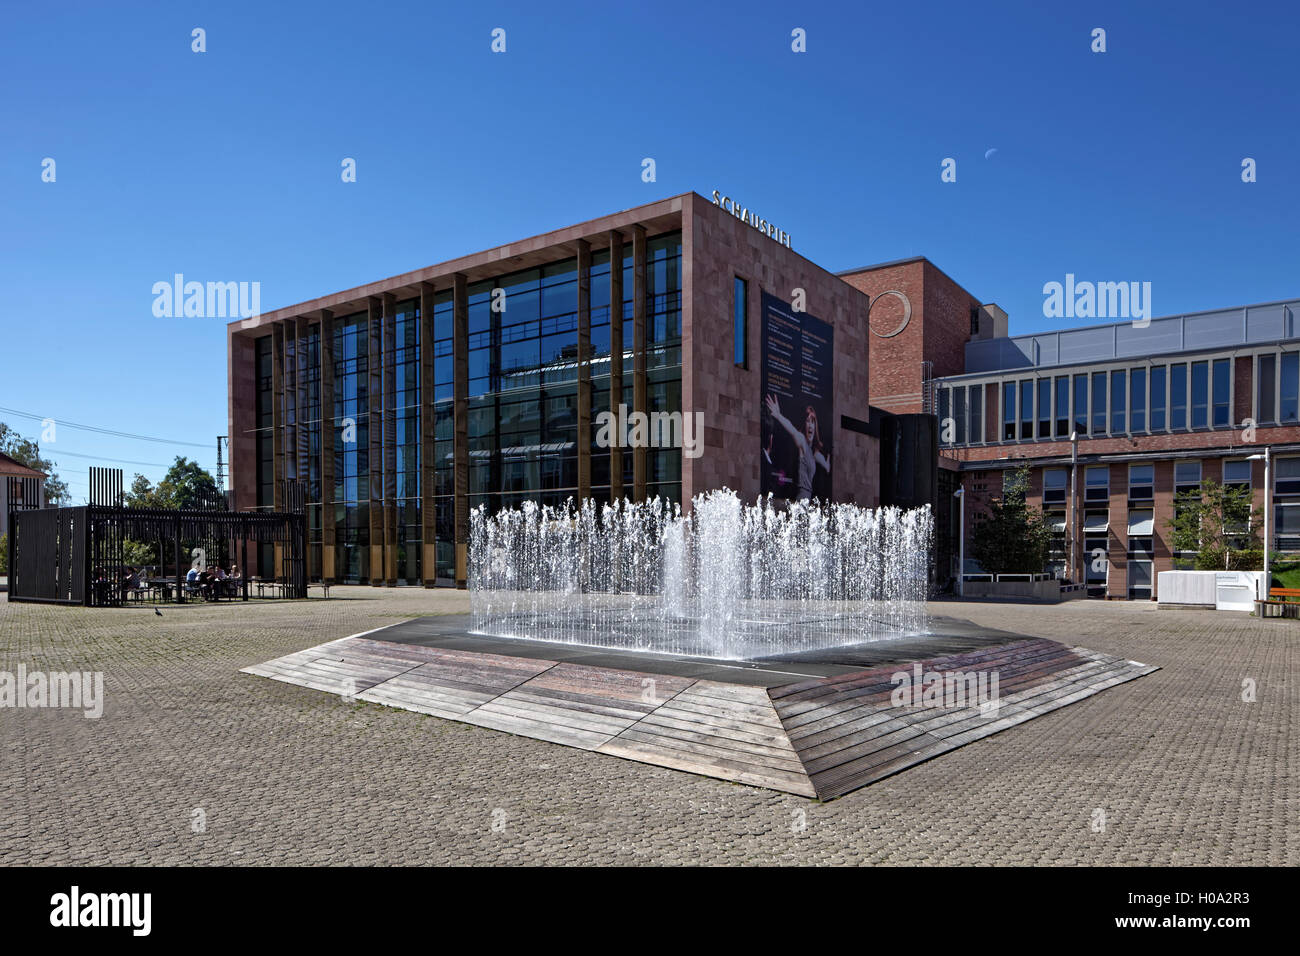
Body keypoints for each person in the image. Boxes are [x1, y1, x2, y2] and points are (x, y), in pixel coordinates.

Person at [765, 393, 831, 500]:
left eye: (813, 422)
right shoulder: (802, 442)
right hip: (802, 498)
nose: (810, 425)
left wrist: (827, 465)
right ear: (804, 425)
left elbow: (824, 463)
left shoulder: (813, 451)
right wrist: (778, 415)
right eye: (807, 421)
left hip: (807, 499)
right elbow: (792, 430)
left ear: (815, 426)